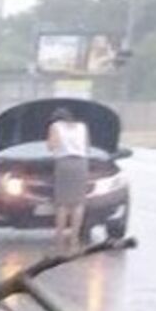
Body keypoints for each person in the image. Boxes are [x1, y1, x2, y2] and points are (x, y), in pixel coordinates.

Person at [47, 106, 91, 252]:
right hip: (81, 164)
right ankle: (74, 239)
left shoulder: (55, 126)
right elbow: (86, 147)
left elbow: (53, 145)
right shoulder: (82, 127)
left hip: (64, 164)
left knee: (62, 204)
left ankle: (59, 239)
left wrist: (50, 144)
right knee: (78, 203)